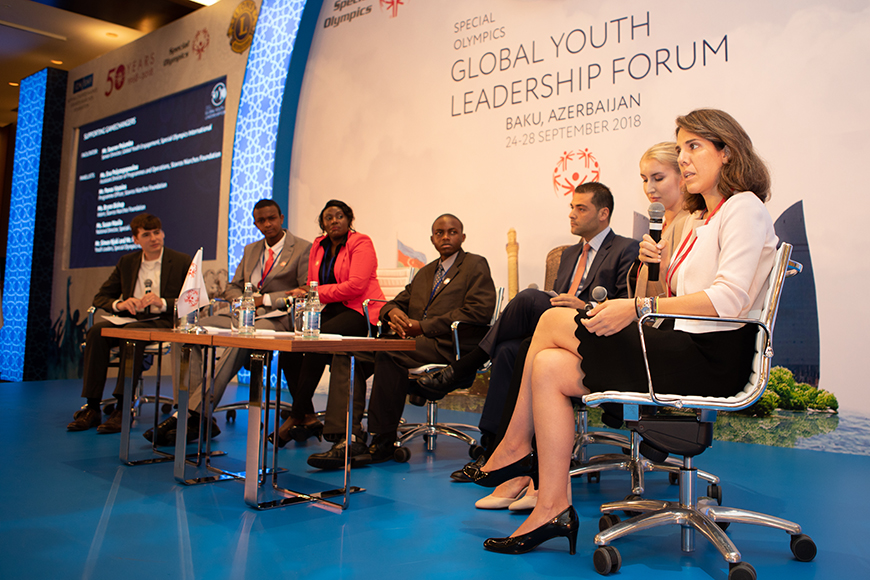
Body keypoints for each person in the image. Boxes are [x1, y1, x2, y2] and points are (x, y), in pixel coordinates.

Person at [470, 109, 778, 555]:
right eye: (681, 148)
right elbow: (675, 294)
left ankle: (514, 447)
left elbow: (727, 301)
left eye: (695, 147)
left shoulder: (743, 207)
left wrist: (637, 307)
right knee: (549, 366)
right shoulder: (705, 220)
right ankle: (552, 506)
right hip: (686, 347)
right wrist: (654, 272)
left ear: (727, 153)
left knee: (552, 319)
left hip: (712, 357)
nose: (685, 159)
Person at [473, 143, 688, 510]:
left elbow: (651, 306)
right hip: (641, 331)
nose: (650, 188)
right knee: (530, 356)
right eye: (644, 179)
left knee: (539, 310)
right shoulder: (660, 229)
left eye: (658, 178)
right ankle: (542, 489)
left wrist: (616, 299)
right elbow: (647, 297)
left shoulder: (691, 226)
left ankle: (512, 448)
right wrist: (651, 266)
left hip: (661, 345)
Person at [427, 182, 638, 481]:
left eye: (581, 208)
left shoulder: (626, 248)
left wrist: (584, 304)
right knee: (510, 350)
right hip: (558, 331)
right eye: (571, 207)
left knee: (527, 298)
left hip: (595, 329)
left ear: (603, 214)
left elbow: (625, 305)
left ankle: (466, 366)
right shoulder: (567, 255)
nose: (572, 214)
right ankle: (495, 445)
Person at [306, 214, 497, 469]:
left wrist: (423, 327)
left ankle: (383, 440)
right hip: (412, 343)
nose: (446, 237)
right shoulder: (426, 273)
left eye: (452, 232)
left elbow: (479, 311)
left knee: (390, 354)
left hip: (450, 346)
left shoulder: (475, 265)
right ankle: (347, 439)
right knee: (350, 351)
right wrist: (392, 313)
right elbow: (395, 302)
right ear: (432, 239)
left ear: (463, 237)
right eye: (439, 233)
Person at [146, 199, 311, 446]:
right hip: (241, 314)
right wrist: (244, 300)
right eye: (261, 221)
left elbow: (305, 289)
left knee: (242, 337)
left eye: (272, 218)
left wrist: (262, 299)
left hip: (276, 318)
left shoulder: (302, 248)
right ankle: (193, 414)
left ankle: (191, 414)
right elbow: (232, 286)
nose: (268, 224)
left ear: (281, 218)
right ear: (255, 223)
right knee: (187, 332)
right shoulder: (251, 249)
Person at [270, 200, 385, 447]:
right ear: (323, 223)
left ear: (349, 219)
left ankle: (295, 417)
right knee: (292, 349)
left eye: (339, 216)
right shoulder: (318, 245)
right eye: (328, 217)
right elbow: (312, 284)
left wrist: (316, 293)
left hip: (361, 312)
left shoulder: (360, 242)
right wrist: (310, 292)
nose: (334, 221)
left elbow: (355, 286)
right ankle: (308, 416)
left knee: (314, 342)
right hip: (331, 310)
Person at [67, 213, 191, 434]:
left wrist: (162, 302)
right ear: (136, 239)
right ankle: (92, 406)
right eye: (146, 234)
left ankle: (122, 407)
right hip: (130, 319)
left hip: (162, 321)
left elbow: (193, 299)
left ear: (162, 234)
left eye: (157, 232)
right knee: (97, 331)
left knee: (131, 333)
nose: (153, 238)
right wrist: (120, 304)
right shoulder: (127, 262)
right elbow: (101, 297)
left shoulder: (180, 260)